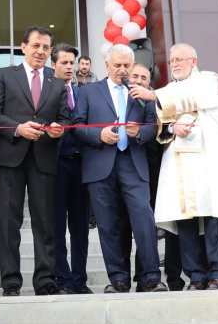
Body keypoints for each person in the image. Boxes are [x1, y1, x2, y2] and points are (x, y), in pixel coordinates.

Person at [130, 43, 218, 290]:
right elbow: (162, 124)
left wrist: (155, 95)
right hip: (178, 162)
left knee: (213, 216)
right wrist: (173, 127)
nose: (174, 64)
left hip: (206, 159)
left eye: (180, 59)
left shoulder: (209, 79)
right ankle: (196, 275)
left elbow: (201, 98)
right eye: (172, 60)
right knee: (184, 219)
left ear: (193, 61)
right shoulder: (169, 89)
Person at [73, 44, 167, 293]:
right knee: (108, 225)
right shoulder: (88, 92)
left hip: (133, 163)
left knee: (144, 220)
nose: (123, 70)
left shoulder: (141, 92)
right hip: (100, 164)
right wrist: (99, 134)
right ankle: (118, 279)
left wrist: (141, 133)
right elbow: (77, 127)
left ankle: (151, 277)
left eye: (127, 65)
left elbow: (152, 127)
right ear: (106, 65)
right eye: (117, 65)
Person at [0, 25, 70, 296]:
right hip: (9, 156)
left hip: (43, 158)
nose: (41, 52)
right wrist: (17, 128)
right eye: (36, 46)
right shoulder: (4, 75)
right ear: (23, 47)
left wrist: (59, 128)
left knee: (44, 222)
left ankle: (45, 280)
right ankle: (11, 282)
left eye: (46, 47)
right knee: (10, 222)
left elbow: (65, 118)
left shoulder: (57, 83)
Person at [124, 63, 185, 291]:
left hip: (164, 168)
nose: (139, 80)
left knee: (165, 225)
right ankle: (142, 275)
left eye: (143, 78)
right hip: (136, 170)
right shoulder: (121, 101)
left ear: (150, 84)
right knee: (143, 223)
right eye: (135, 76)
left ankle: (172, 276)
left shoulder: (158, 101)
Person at [51, 43, 91, 294]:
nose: (69, 67)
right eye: (64, 62)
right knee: (56, 227)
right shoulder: (44, 92)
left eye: (71, 63)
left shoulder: (83, 92)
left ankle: (79, 280)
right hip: (54, 166)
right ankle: (62, 280)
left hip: (82, 165)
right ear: (53, 64)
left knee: (80, 229)